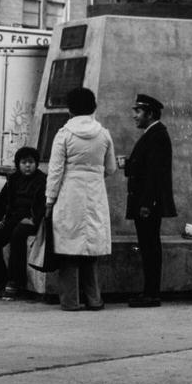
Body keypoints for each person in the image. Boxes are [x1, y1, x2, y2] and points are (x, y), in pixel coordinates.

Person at [45, 87, 116, 312]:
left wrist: (49, 199)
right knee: (91, 249)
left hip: (69, 194)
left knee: (69, 249)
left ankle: (71, 301)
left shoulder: (64, 134)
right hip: (95, 193)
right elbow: (111, 168)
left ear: (70, 109)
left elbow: (55, 172)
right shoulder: (103, 134)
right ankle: (94, 299)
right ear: (93, 106)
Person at [123, 93, 177, 309]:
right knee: (148, 247)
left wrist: (147, 203)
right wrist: (128, 164)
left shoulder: (157, 135)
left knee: (150, 247)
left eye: (138, 111)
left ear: (150, 113)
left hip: (147, 204)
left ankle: (151, 293)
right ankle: (149, 291)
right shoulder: (153, 134)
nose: (134, 116)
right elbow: (146, 167)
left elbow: (155, 173)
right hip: (145, 202)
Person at [0, 146, 47, 299]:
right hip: (13, 218)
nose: (27, 166)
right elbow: (2, 200)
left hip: (31, 221)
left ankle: (15, 282)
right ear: (18, 164)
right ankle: (0, 281)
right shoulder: (13, 179)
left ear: (36, 164)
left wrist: (34, 219)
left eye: (31, 162)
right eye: (24, 162)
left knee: (17, 235)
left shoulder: (42, 180)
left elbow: (43, 204)